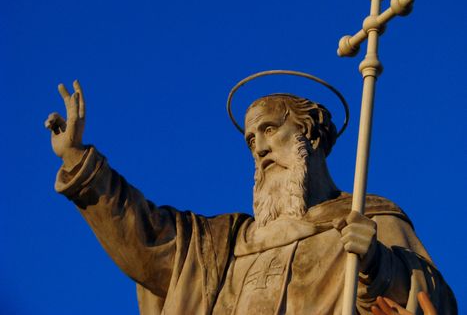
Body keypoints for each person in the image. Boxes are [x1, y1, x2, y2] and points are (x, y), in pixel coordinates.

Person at [45, 81, 457, 314]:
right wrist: (80, 163)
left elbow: (432, 301)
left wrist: (377, 265)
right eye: (249, 139)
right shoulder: (220, 246)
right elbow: (145, 238)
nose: (258, 147)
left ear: (309, 133)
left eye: (269, 129)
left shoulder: (366, 218)